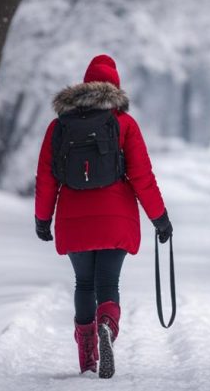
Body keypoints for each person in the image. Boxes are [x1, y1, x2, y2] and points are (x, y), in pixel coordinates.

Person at [34, 54, 173, 378]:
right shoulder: (124, 124)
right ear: (115, 87)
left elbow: (46, 177)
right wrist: (159, 218)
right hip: (116, 218)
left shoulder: (59, 126)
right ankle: (107, 325)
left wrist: (43, 218)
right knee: (108, 281)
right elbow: (142, 176)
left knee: (84, 283)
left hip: (73, 217)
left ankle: (87, 356)